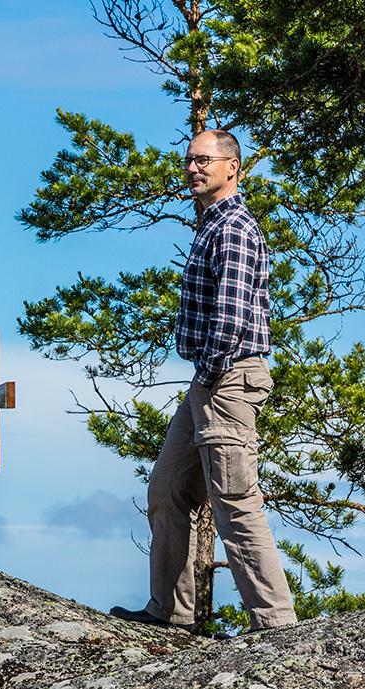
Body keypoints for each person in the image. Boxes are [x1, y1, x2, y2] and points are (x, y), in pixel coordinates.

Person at [109, 130, 297, 634]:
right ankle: (170, 613)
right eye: (189, 160)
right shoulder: (210, 225)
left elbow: (232, 317)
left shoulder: (233, 227)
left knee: (234, 500)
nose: (193, 168)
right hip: (209, 380)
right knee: (167, 488)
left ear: (232, 167)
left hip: (226, 377)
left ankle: (277, 624)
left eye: (203, 160)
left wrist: (211, 373)